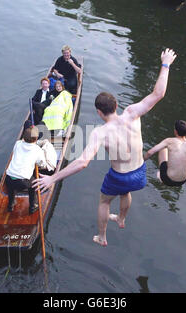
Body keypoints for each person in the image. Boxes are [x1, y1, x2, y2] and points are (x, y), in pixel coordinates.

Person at [34, 48, 177, 246]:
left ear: (99, 113)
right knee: (125, 193)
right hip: (139, 174)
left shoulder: (100, 133)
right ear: (116, 105)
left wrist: (53, 178)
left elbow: (83, 162)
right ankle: (121, 219)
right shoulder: (133, 113)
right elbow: (159, 93)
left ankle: (102, 236)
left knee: (104, 201)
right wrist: (165, 64)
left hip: (119, 177)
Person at [5, 126, 47, 215]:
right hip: (23, 182)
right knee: (34, 186)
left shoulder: (17, 143)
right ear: (36, 139)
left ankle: (10, 205)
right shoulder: (37, 150)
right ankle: (33, 206)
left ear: (23, 137)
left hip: (8, 178)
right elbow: (42, 164)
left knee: (11, 188)